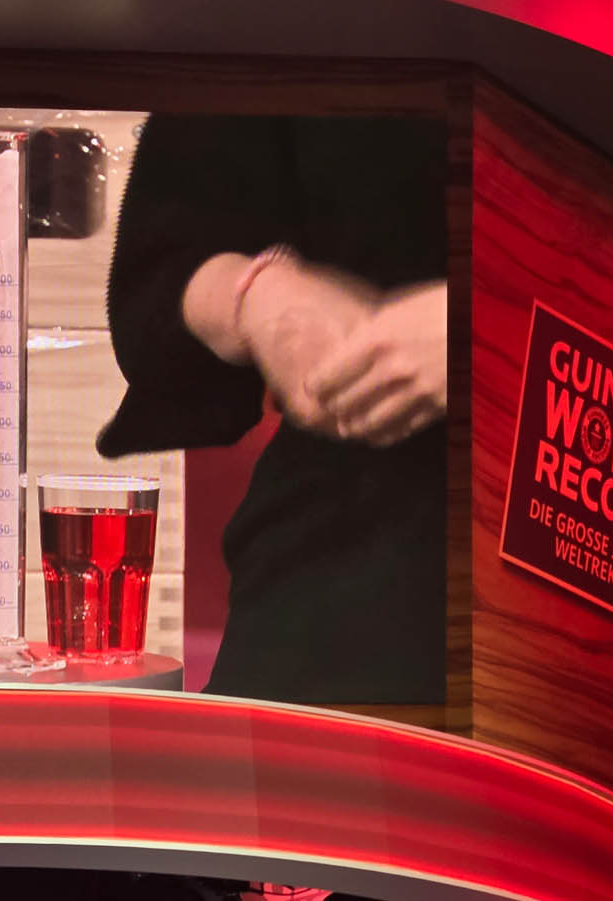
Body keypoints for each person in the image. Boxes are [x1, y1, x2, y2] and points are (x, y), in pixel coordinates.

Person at [100, 114, 448, 704]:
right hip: (343, 545)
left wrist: (485, 324)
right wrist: (259, 297)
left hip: (576, 535)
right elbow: (160, 270)